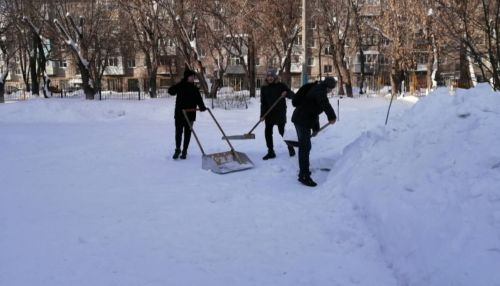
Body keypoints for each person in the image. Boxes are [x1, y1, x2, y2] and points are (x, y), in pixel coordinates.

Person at [291, 77, 337, 187]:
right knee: (305, 147)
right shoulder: (320, 91)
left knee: (305, 147)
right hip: (301, 121)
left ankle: (304, 171)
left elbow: (314, 110)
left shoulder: (318, 89)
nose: (331, 91)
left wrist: (315, 128)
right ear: (328, 87)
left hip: (303, 119)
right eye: (331, 89)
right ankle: (304, 175)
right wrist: (332, 116)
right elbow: (325, 104)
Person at [168, 69, 207, 160]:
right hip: (179, 114)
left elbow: (199, 100)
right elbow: (171, 91)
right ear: (186, 77)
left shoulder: (195, 89)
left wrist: (202, 107)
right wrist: (177, 85)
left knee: (187, 133)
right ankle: (178, 149)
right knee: (178, 132)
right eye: (191, 76)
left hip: (190, 115)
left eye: (194, 76)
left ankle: (185, 150)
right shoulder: (180, 86)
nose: (193, 78)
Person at [260, 69, 295, 160]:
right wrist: (262, 115)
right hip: (269, 113)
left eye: (271, 76)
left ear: (275, 77)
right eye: (268, 76)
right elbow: (263, 103)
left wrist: (286, 93)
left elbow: (292, 95)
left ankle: (290, 147)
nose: (270, 78)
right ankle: (271, 151)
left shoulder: (281, 86)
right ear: (266, 78)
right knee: (268, 132)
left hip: (280, 112)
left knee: (282, 131)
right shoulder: (264, 88)